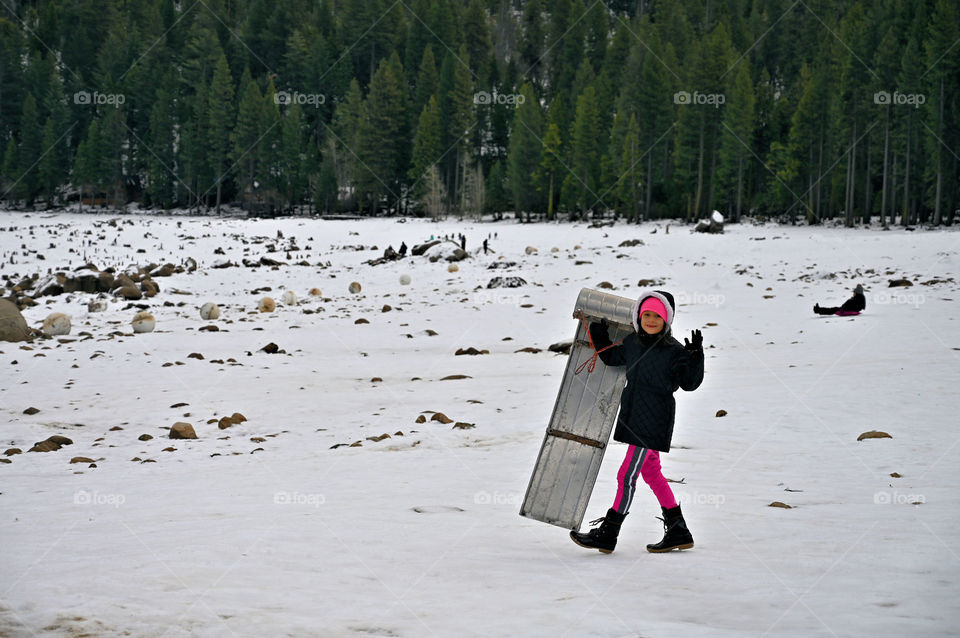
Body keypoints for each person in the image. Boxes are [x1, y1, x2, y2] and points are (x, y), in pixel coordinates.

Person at [570, 291, 704, 554]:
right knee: (650, 471)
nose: (651, 320)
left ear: (666, 320)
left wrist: (695, 357)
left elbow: (689, 384)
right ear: (639, 317)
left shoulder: (674, 351)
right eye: (647, 315)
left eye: (657, 316)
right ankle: (678, 530)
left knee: (626, 475)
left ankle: (609, 533)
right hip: (634, 415)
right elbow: (611, 357)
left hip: (653, 419)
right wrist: (598, 333)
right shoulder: (633, 343)